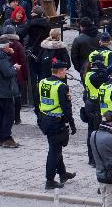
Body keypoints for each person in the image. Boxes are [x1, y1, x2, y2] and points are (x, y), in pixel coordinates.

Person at [36, 59, 77, 189]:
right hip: (56, 122)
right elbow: (66, 108)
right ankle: (50, 180)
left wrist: (39, 117)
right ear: (60, 72)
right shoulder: (61, 86)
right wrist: (72, 124)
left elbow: (37, 101)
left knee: (56, 147)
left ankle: (63, 173)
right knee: (54, 151)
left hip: (45, 119)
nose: (66, 73)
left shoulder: (42, 82)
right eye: (65, 71)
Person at [0, 32, 21, 148]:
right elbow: (7, 72)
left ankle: (1, 138)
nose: (10, 47)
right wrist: (15, 68)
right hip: (5, 90)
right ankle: (6, 138)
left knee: (0, 115)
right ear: (4, 47)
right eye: (8, 46)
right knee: (9, 115)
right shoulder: (1, 57)